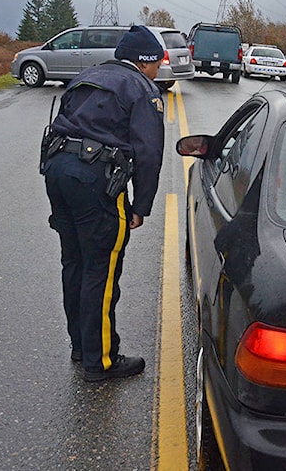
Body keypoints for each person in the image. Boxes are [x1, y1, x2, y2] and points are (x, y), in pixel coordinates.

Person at [42, 25, 165, 382]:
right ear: (144, 62)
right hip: (94, 180)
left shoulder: (87, 76)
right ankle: (102, 361)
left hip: (57, 172)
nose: (158, 69)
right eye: (157, 62)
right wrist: (141, 205)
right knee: (101, 268)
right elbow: (148, 154)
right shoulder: (143, 90)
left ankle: (81, 346)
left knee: (75, 261)